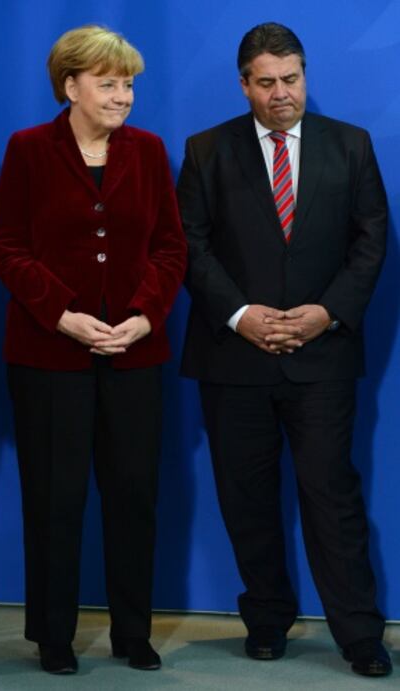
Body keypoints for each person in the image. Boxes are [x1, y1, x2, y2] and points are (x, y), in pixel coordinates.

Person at [177, 22, 391, 677]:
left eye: (291, 79)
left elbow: (371, 241)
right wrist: (241, 315)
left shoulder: (351, 147)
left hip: (322, 357)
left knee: (333, 496)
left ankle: (358, 634)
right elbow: (190, 243)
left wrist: (325, 313)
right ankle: (266, 620)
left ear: (306, 75)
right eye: (266, 82)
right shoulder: (207, 150)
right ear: (244, 84)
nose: (281, 94)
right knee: (247, 497)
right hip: (233, 358)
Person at [0, 25, 186, 675]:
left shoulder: (151, 151)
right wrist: (64, 315)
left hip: (134, 354)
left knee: (133, 493)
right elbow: (9, 249)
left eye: (129, 84)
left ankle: (135, 631)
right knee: (54, 496)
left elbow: (169, 247)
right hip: (50, 356)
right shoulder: (27, 150)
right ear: (70, 86)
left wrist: (142, 317)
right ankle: (53, 635)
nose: (124, 95)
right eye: (109, 84)